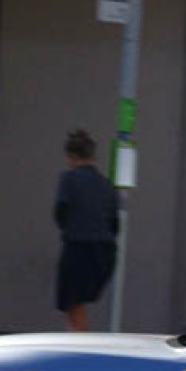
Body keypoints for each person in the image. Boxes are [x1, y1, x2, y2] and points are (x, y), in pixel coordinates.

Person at [54, 129, 119, 331]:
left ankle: (81, 348)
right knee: (80, 301)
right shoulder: (107, 184)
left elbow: (60, 212)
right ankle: (77, 342)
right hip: (105, 252)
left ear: (72, 157)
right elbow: (115, 223)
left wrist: (73, 227)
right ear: (93, 156)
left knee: (72, 303)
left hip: (79, 246)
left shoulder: (69, 178)